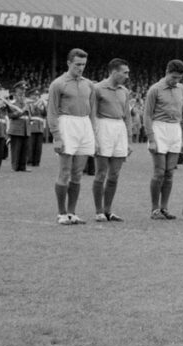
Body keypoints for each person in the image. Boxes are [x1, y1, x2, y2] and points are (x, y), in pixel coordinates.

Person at [46, 50, 97, 224]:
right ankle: (61, 213)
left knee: (77, 174)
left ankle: (72, 213)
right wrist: (57, 136)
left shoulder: (88, 84)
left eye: (83, 64)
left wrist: (93, 132)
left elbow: (92, 111)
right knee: (65, 172)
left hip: (84, 125)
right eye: (77, 64)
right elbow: (52, 112)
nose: (81, 68)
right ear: (69, 63)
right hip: (66, 124)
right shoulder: (58, 84)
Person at [143, 60, 183, 220]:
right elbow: (147, 115)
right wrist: (151, 139)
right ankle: (155, 209)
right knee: (159, 172)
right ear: (166, 72)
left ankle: (164, 208)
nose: (175, 81)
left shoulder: (182, 89)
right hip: (159, 129)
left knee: (169, 173)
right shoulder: (154, 89)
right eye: (173, 77)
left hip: (174, 130)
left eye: (178, 78)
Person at [92, 58, 131, 221]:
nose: (127, 76)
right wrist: (93, 137)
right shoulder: (97, 88)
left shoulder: (124, 91)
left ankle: (108, 210)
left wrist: (128, 140)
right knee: (101, 173)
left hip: (119, 128)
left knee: (114, 174)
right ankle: (99, 210)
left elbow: (127, 116)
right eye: (125, 72)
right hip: (103, 127)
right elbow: (92, 114)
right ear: (114, 72)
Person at [6, 82, 31, 172]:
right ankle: (15, 166)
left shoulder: (25, 100)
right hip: (16, 127)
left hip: (25, 127)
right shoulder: (12, 100)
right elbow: (11, 115)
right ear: (16, 89)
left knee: (24, 148)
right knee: (16, 148)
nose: (23, 91)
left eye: (24, 89)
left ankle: (22, 166)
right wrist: (23, 110)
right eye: (21, 89)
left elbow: (28, 114)